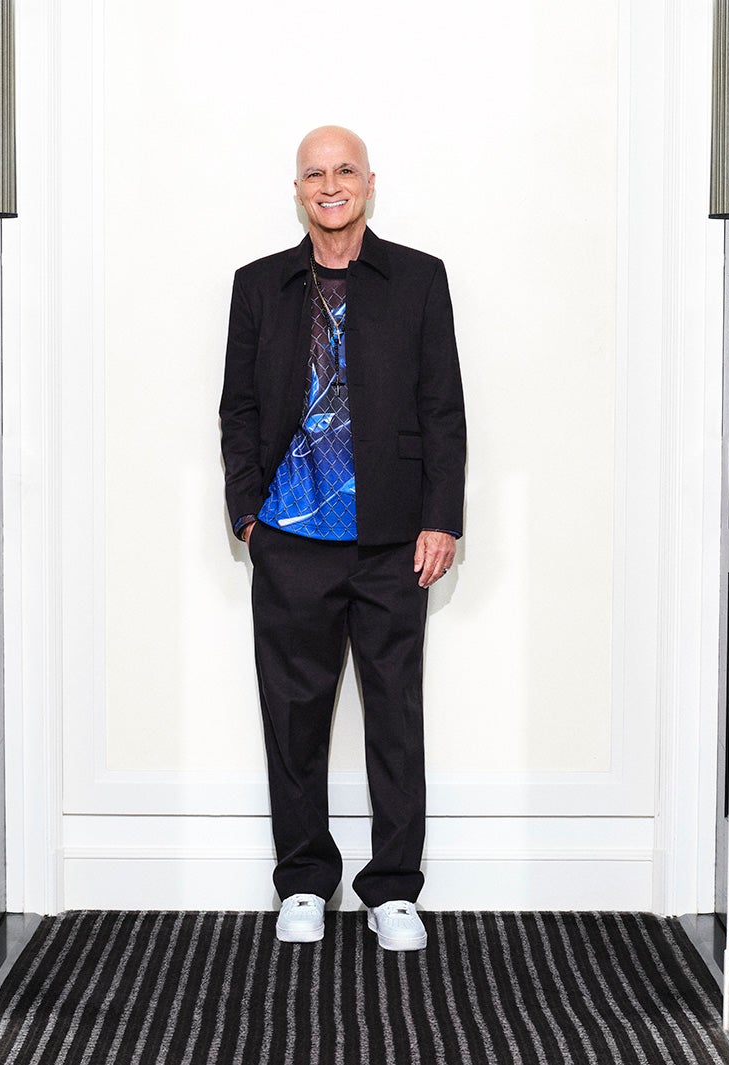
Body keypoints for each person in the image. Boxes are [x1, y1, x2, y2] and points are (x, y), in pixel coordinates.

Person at [219, 126, 466, 951]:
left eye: (345, 170)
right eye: (315, 173)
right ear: (298, 189)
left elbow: (443, 406)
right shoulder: (258, 285)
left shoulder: (419, 278)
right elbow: (238, 408)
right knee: (293, 719)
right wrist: (247, 511)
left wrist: (442, 516)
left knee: (395, 715)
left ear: (369, 182)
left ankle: (394, 888)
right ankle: (302, 881)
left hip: (393, 540)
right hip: (288, 537)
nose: (330, 185)